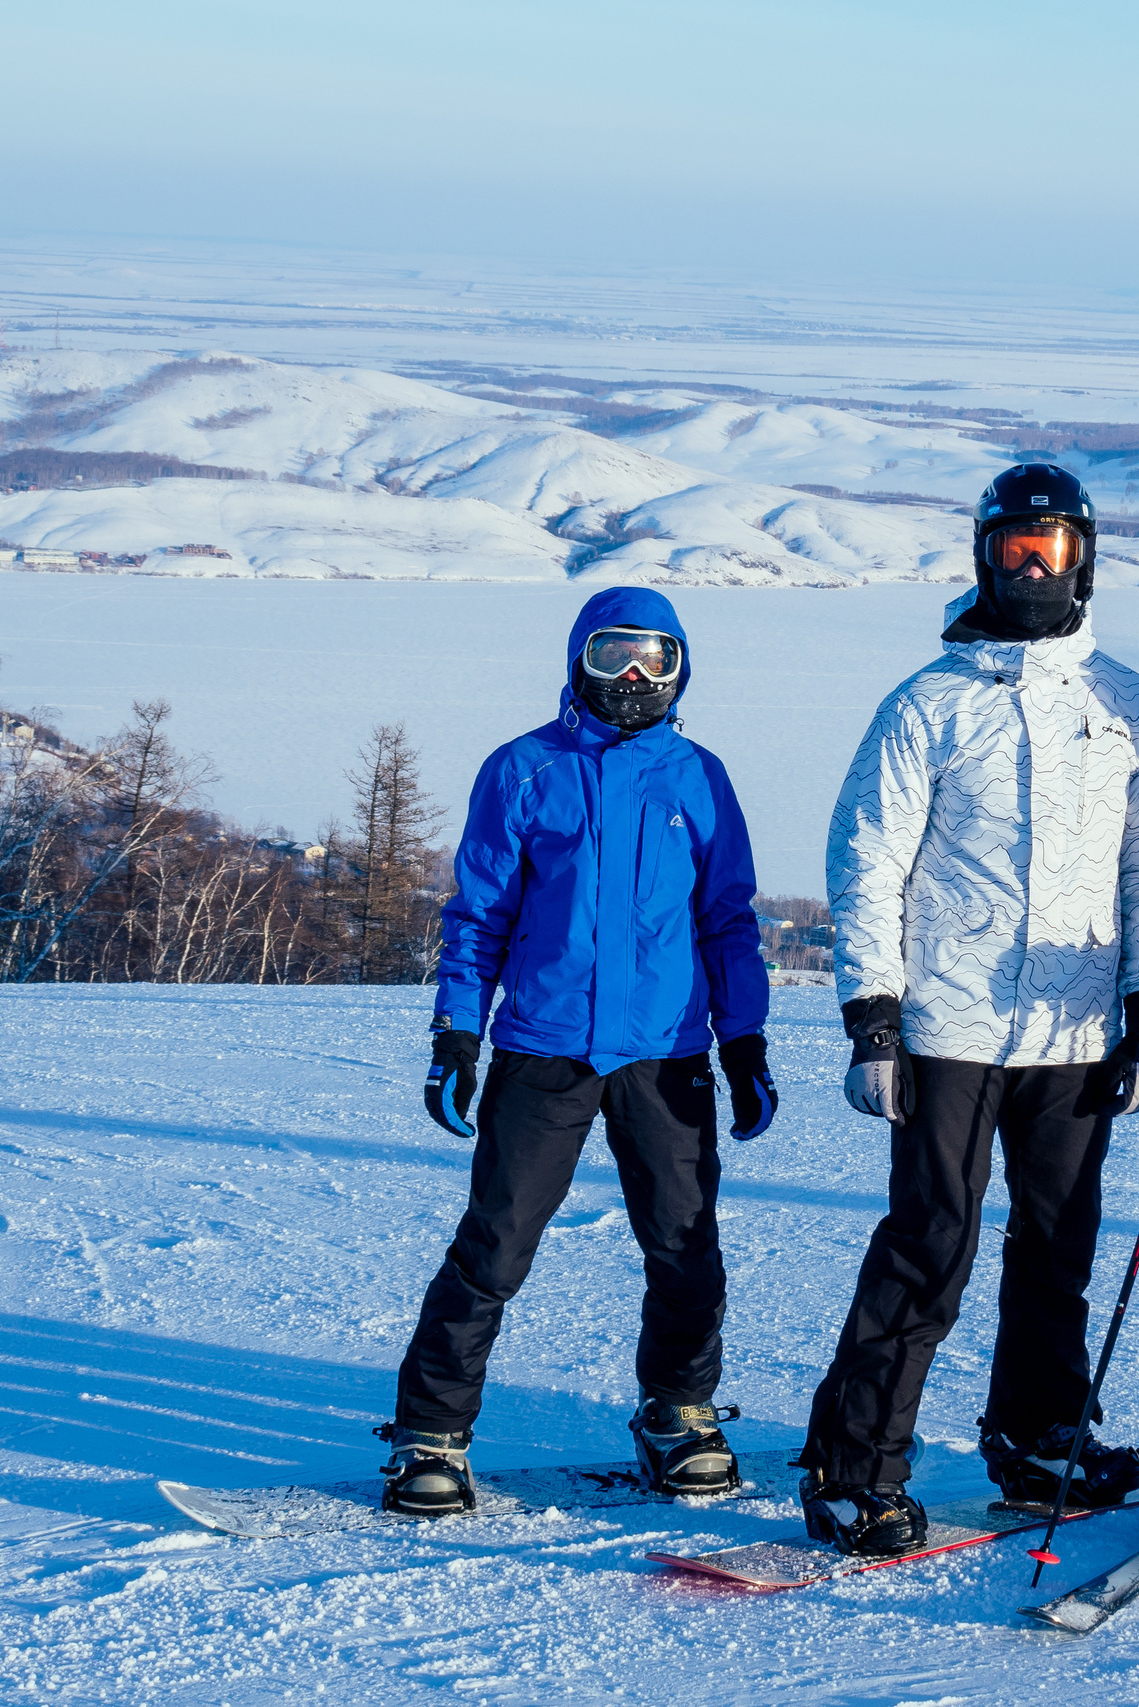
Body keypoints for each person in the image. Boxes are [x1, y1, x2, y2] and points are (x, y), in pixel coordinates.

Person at [797, 463, 1139, 1556]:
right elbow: (867, 861)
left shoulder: (1126, 706)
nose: (1033, 565)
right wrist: (872, 1016)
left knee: (1059, 1243)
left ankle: (1037, 1435)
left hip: (1075, 1028)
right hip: (948, 1026)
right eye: (1015, 547)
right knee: (932, 1241)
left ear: (1086, 556)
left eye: (1053, 546)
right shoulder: (929, 702)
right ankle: (854, 1468)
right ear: (982, 557)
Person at [377, 586, 777, 1514]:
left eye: (654, 658)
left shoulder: (700, 777)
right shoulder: (523, 769)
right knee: (497, 1242)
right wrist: (456, 1034)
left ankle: (680, 1412)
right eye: (613, 655)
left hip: (666, 1054)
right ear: (577, 658)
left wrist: (745, 1040)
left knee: (685, 1246)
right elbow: (477, 917)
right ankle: (429, 1431)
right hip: (543, 1046)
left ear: (681, 668)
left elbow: (726, 922)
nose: (633, 677)